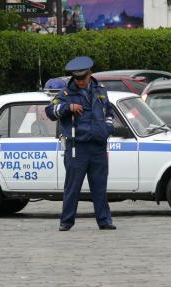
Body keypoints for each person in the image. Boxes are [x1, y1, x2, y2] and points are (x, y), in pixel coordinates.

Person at [45, 56, 116, 231]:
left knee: (100, 186)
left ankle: (104, 221)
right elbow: (50, 111)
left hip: (98, 146)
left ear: (90, 74)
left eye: (82, 78)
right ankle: (66, 221)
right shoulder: (66, 93)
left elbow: (109, 112)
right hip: (77, 147)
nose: (80, 82)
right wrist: (67, 108)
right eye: (76, 79)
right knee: (72, 187)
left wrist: (107, 128)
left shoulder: (101, 90)